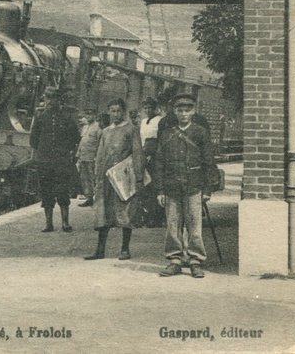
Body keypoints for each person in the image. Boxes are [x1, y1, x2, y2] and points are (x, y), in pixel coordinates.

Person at [153, 93, 219, 279]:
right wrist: (159, 190)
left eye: (187, 111)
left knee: (194, 225)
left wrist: (207, 189)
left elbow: (208, 162)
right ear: (174, 112)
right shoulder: (167, 134)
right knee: (173, 225)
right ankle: (175, 260)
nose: (183, 114)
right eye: (180, 111)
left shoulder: (200, 132)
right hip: (171, 185)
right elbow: (159, 163)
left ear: (193, 111)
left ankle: (195, 260)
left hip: (194, 186)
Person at [85, 98, 145, 261]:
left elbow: (138, 153)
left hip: (123, 177)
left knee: (125, 212)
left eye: (118, 111)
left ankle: (125, 249)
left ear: (123, 112)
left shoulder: (131, 130)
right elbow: (100, 154)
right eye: (112, 111)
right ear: (109, 112)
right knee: (103, 213)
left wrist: (138, 177)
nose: (115, 114)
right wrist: (97, 175)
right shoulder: (105, 132)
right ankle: (100, 250)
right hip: (106, 179)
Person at [29, 87, 80, 233]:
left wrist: (64, 150)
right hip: (44, 161)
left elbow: (75, 138)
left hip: (61, 162)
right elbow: (33, 140)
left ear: (59, 100)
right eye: (48, 98)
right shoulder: (40, 118)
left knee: (63, 191)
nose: (50, 101)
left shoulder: (67, 118)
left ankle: (65, 222)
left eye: (54, 98)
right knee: (46, 192)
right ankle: (48, 224)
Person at [137, 98, 166, 227]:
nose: (148, 110)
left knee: (155, 187)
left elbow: (160, 139)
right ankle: (147, 215)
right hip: (144, 156)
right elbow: (142, 139)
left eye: (150, 108)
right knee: (145, 187)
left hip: (155, 156)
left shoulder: (160, 120)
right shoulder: (143, 122)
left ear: (155, 108)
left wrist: (153, 154)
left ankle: (156, 217)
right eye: (145, 108)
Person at [76, 111, 102, 207]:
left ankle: (98, 200)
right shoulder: (85, 127)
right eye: (87, 115)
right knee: (85, 178)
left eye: (90, 115)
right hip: (83, 156)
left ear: (94, 116)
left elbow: (100, 142)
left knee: (93, 178)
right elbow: (82, 141)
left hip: (92, 157)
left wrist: (97, 156)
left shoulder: (98, 127)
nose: (88, 117)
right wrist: (78, 154)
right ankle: (89, 198)